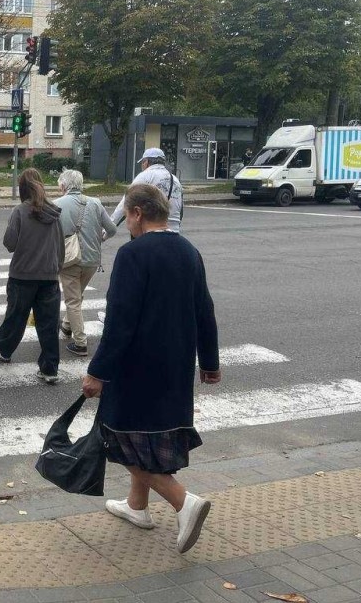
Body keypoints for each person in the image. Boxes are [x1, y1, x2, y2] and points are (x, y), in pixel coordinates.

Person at [82, 184, 220, 554]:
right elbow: (204, 309)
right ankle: (137, 506)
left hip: (135, 368)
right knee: (151, 438)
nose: (126, 223)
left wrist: (98, 372)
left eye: (126, 215)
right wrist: (209, 362)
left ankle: (183, 501)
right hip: (176, 366)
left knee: (120, 439)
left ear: (138, 213)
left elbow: (120, 322)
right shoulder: (189, 251)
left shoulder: (132, 254)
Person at [0, 168, 65, 384]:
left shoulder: (20, 211)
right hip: (49, 276)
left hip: (22, 275)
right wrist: (56, 268)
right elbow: (60, 245)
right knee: (49, 324)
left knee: (16, 316)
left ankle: (4, 349)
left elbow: (9, 244)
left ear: (22, 188)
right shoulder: (54, 213)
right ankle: (50, 369)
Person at [54, 169, 117, 356]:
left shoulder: (57, 204)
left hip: (70, 259)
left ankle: (80, 342)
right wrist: (101, 238)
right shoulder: (96, 203)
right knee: (77, 295)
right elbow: (112, 229)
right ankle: (67, 326)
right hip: (92, 260)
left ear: (63, 186)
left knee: (73, 300)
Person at [111, 148, 183, 232]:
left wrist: (110, 226)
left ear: (146, 162)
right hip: (173, 231)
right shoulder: (175, 180)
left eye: (142, 162)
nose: (142, 166)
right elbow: (180, 210)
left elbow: (126, 203)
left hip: (151, 230)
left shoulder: (145, 176)